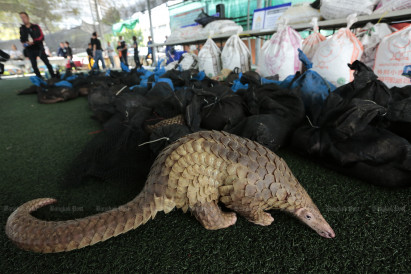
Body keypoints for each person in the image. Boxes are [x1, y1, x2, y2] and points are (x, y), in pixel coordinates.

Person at [19, 11, 55, 78]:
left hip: (39, 48)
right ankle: (40, 79)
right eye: (21, 18)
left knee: (47, 63)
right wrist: (25, 43)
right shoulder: (22, 29)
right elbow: (22, 39)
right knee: (34, 65)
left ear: (28, 17)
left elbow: (42, 36)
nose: (23, 19)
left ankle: (53, 76)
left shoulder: (36, 26)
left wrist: (34, 42)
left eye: (24, 17)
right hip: (30, 50)